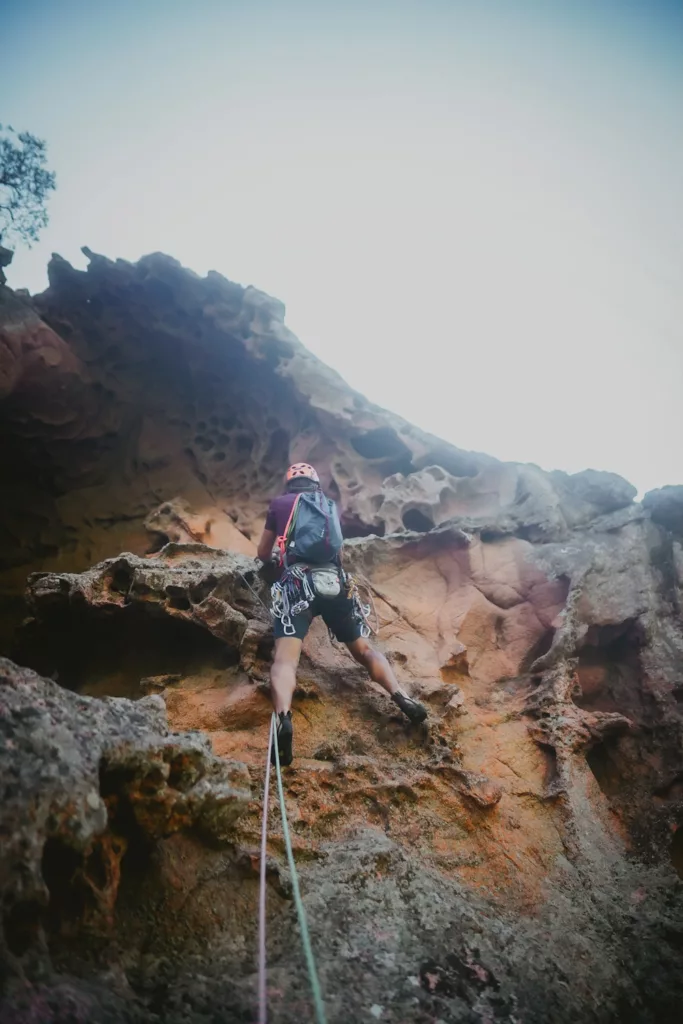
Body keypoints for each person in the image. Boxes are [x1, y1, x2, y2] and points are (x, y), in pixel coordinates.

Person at [256, 462, 428, 766]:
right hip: (335, 583)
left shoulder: (280, 504)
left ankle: (283, 718)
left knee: (285, 661)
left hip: (297, 584)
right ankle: (400, 694)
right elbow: (339, 553)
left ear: (289, 484)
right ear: (315, 483)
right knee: (364, 650)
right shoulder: (328, 505)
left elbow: (262, 552)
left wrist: (273, 564)